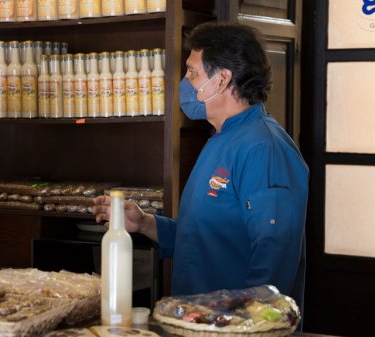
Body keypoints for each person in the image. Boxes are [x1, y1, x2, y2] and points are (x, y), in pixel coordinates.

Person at [93, 22, 309, 304]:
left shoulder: (264, 149)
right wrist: (145, 223)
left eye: (192, 73)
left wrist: (245, 323)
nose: (184, 82)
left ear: (222, 79)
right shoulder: (221, 139)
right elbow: (203, 237)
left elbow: (274, 255)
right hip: (198, 320)